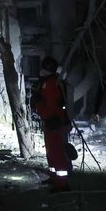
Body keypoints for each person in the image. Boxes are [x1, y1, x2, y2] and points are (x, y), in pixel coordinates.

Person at [33, 56, 72, 191]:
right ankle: (54, 177)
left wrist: (41, 107)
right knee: (51, 151)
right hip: (50, 121)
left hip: (54, 121)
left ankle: (62, 184)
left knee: (57, 152)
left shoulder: (52, 83)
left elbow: (51, 105)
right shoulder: (49, 82)